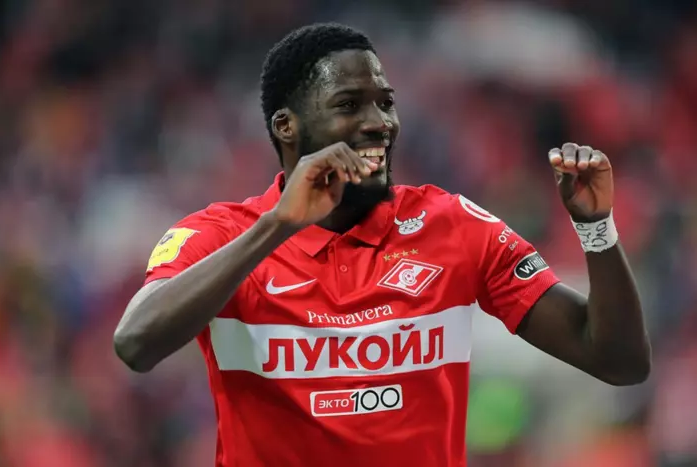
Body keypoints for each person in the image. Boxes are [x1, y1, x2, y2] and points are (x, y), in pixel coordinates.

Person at [113, 22, 651, 467]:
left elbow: (619, 361)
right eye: (350, 104)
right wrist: (277, 226)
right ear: (287, 127)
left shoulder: (453, 225)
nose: (379, 124)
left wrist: (596, 229)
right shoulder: (223, 235)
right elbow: (136, 343)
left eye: (385, 103)